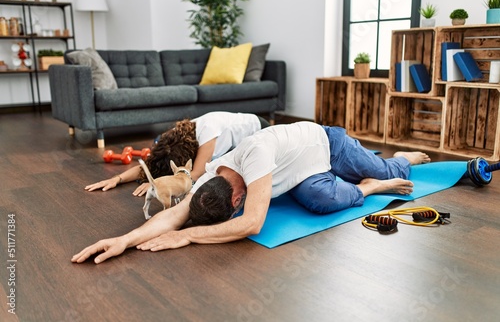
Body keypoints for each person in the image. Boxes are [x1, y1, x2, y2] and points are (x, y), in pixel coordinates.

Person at [72, 121, 430, 264]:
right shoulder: (211, 175)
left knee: (385, 169)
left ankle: (397, 161)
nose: (240, 207)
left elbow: (253, 223)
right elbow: (174, 214)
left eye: (235, 207)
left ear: (236, 199)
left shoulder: (255, 155)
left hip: (328, 144)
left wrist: (190, 237)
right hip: (304, 172)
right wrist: (124, 239)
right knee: (321, 201)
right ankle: (368, 189)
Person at [84, 111, 269, 196]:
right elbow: (150, 164)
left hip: (259, 128)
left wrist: (157, 183)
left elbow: (195, 174)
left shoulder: (208, 134)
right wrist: (117, 179)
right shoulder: (173, 136)